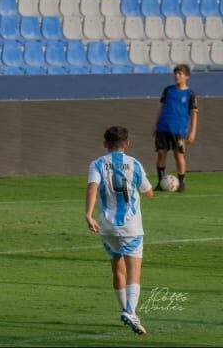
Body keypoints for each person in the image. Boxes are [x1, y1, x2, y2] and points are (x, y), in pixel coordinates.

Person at [85, 126, 154, 335]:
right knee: (134, 269)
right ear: (127, 144)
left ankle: (125, 310)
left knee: (117, 268)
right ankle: (130, 311)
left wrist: (88, 214)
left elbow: (92, 188)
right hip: (131, 226)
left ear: (105, 144)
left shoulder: (97, 163)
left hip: (106, 226)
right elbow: (149, 192)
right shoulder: (135, 164)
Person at [153, 64, 198, 193]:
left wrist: (192, 131)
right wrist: (156, 125)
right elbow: (160, 108)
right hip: (163, 127)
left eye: (180, 74)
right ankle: (161, 182)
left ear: (187, 77)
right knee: (161, 154)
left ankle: (182, 183)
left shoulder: (191, 94)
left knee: (179, 155)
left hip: (178, 130)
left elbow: (194, 114)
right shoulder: (168, 90)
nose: (176, 76)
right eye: (175, 74)